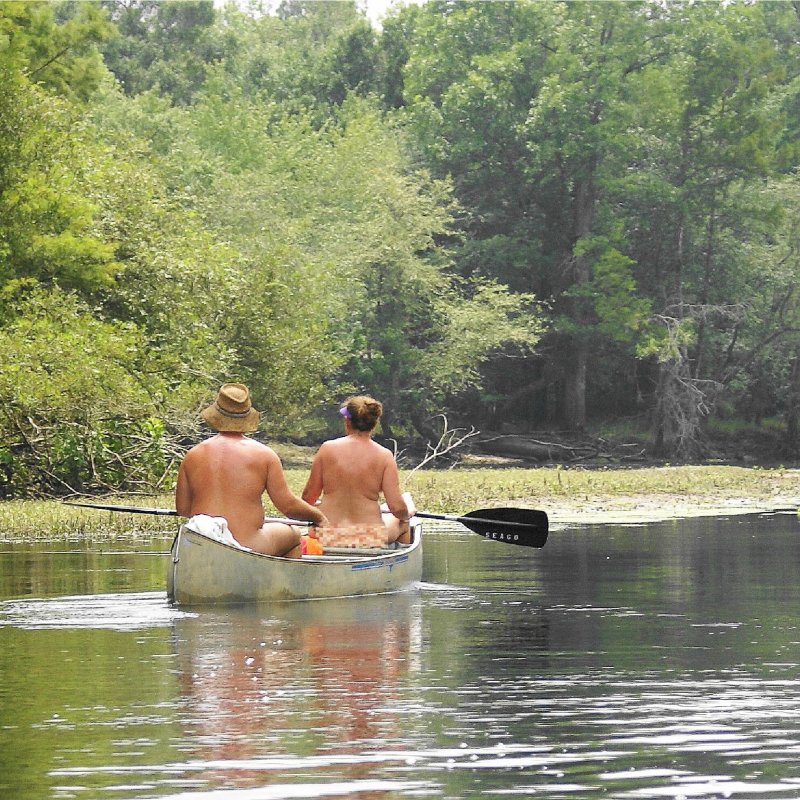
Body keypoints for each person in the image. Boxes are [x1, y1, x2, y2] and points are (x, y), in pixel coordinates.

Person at [175, 383, 328, 557]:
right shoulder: (264, 455)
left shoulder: (192, 455)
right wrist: (319, 517)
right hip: (247, 545)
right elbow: (288, 507)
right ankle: (281, 583)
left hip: (203, 544)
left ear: (216, 413)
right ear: (247, 415)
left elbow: (183, 508)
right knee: (293, 534)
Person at [302, 395, 416, 546]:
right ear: (374, 424)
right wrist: (407, 513)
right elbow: (396, 507)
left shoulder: (327, 448)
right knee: (403, 523)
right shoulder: (384, 456)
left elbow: (308, 498)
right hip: (368, 539)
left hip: (327, 535)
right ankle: (395, 563)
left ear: (347, 421)